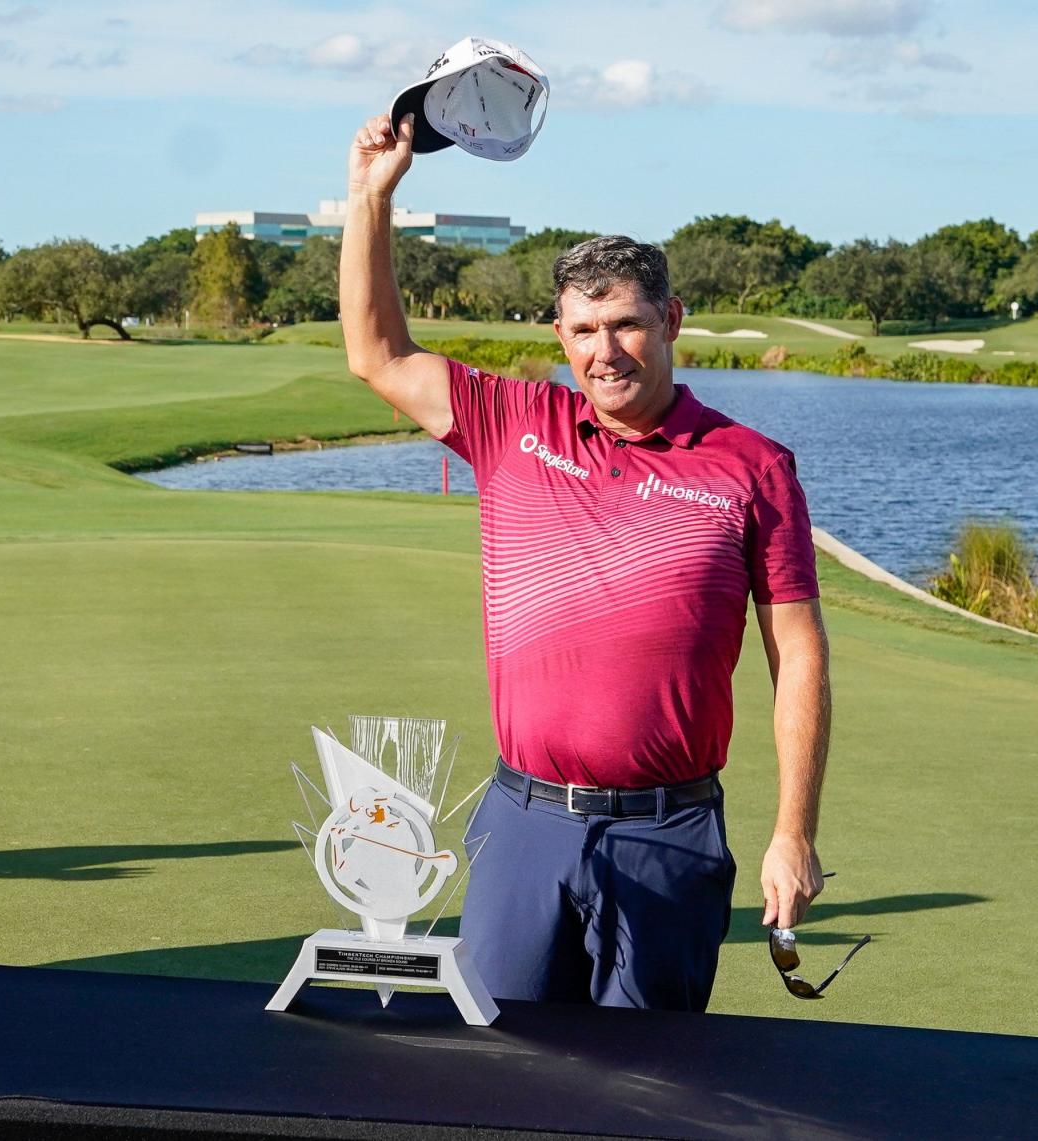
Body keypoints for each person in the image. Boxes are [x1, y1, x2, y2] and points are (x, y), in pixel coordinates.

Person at [340, 112, 830, 1011]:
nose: (605, 352)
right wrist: (372, 197)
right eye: (583, 330)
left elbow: (796, 654)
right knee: (500, 1071)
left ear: (672, 319)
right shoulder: (512, 423)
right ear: (561, 335)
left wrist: (792, 830)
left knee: (648, 1088)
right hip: (522, 822)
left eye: (627, 324)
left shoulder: (754, 465)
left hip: (670, 829)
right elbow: (375, 352)